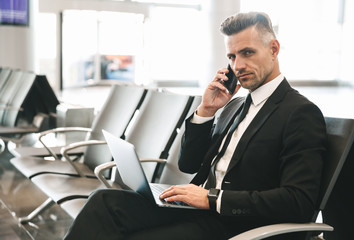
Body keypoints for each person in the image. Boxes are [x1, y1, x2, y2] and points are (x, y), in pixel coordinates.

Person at [63, 12, 326, 240]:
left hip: (234, 222)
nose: (238, 66)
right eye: (232, 57)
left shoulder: (299, 113)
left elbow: (298, 200)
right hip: (197, 209)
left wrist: (212, 199)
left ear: (274, 49)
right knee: (104, 202)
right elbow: (188, 164)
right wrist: (206, 111)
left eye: (247, 53)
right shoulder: (234, 106)